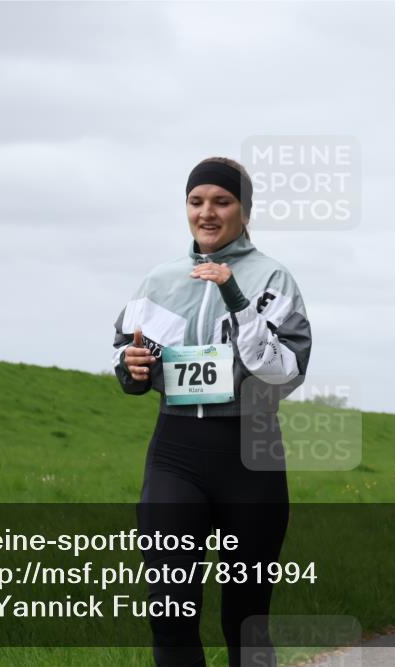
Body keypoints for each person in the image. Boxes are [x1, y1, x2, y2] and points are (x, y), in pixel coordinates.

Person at [111, 157, 312, 667]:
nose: (207, 212)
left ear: (245, 211)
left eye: (222, 201)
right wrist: (132, 367)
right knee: (170, 610)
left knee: (245, 618)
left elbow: (283, 372)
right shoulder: (160, 280)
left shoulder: (273, 277)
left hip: (251, 458)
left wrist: (233, 293)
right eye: (196, 201)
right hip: (176, 455)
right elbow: (130, 356)